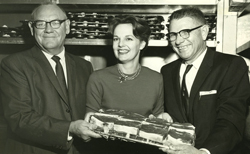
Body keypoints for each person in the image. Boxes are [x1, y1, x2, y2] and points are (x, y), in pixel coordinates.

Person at [0, 3, 100, 154]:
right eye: (40, 24)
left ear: (67, 26)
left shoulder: (84, 66)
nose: (48, 29)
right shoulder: (14, 64)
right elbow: (19, 118)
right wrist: (70, 128)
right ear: (31, 29)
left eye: (55, 23)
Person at [160, 7, 250, 154]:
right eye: (173, 35)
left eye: (185, 32)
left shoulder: (231, 66)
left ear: (204, 32)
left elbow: (231, 121)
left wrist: (203, 152)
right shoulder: (167, 71)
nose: (178, 41)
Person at [85, 15, 171, 154]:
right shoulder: (97, 78)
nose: (120, 44)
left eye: (128, 38)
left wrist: (164, 120)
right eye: (116, 39)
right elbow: (89, 126)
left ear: (142, 44)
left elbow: (157, 123)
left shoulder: (156, 79)